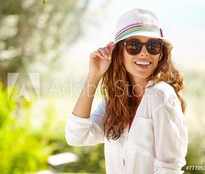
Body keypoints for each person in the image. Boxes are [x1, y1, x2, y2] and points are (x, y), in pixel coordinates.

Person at [65, 8, 188, 174]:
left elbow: (169, 169)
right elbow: (76, 136)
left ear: (160, 54)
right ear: (119, 53)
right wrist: (94, 76)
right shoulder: (116, 101)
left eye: (153, 46)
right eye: (134, 45)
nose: (144, 52)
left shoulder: (161, 95)